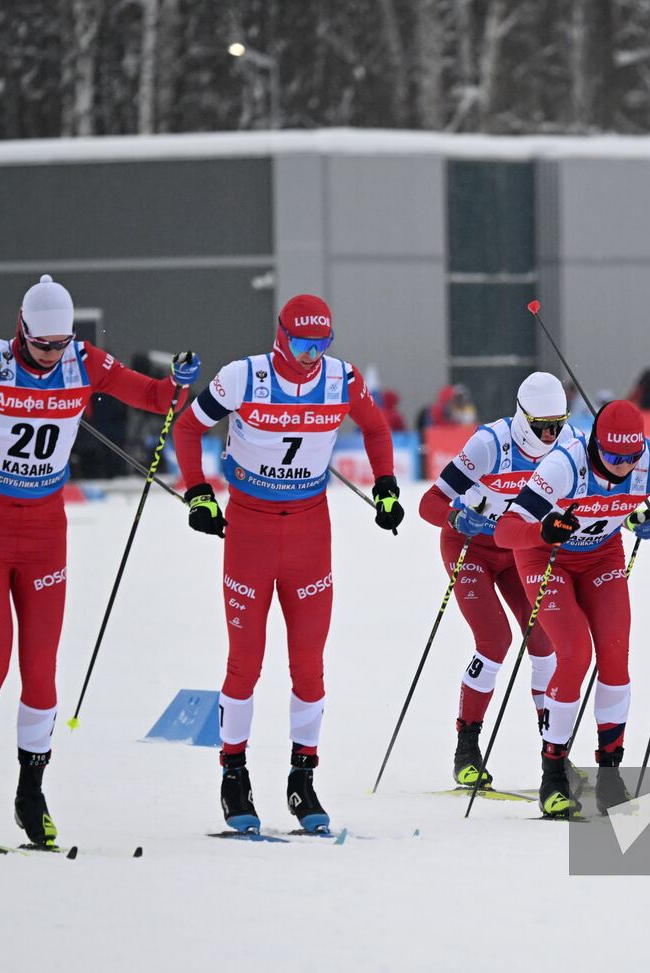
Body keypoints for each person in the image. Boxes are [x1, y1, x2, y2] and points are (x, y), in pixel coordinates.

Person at [0, 274, 198, 846]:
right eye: (42, 345)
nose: (51, 354)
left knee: (41, 672)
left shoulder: (83, 359)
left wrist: (180, 381)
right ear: (21, 329)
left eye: (60, 343)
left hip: (44, 531)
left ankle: (31, 793)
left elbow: (155, 398)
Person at [172, 294, 400, 835]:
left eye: (322, 343)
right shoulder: (243, 377)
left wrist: (387, 486)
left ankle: (303, 777)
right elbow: (186, 428)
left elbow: (376, 428)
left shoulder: (340, 379)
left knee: (309, 664)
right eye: (302, 343)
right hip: (249, 528)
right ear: (281, 337)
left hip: (308, 532)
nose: (311, 354)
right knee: (245, 661)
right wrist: (199, 494)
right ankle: (234, 773)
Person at [494, 400, 650, 818]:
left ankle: (610, 774)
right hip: (546, 558)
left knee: (615, 655)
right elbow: (506, 531)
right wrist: (540, 529)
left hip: (601, 557)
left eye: (630, 459)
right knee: (576, 654)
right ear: (596, 446)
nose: (622, 467)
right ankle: (554, 772)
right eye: (613, 458)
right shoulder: (563, 466)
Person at [418, 372, 576, 787]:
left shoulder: (569, 443)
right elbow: (428, 503)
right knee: (494, 641)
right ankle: (466, 748)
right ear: (522, 418)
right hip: (469, 545)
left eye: (558, 424)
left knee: (546, 642)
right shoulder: (491, 444)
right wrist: (456, 516)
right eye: (542, 426)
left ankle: (554, 756)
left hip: (519, 550)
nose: (550, 435)